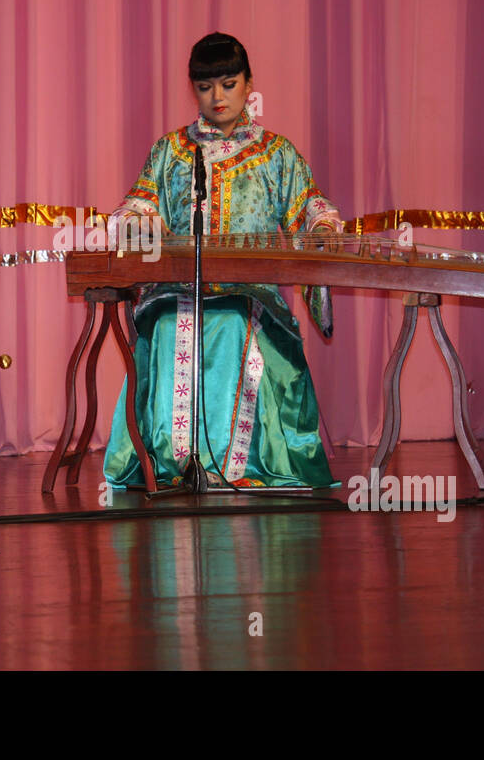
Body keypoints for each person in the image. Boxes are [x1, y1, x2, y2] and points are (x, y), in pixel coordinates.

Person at [104, 32, 343, 489]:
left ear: (249, 84)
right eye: (206, 87)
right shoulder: (172, 151)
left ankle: (238, 467)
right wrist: (136, 225)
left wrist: (323, 229)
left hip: (251, 294)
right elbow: (135, 207)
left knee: (234, 321)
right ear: (193, 89)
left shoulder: (277, 154)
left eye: (229, 84)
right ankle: (177, 466)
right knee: (174, 325)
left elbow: (312, 208)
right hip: (179, 290)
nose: (218, 97)